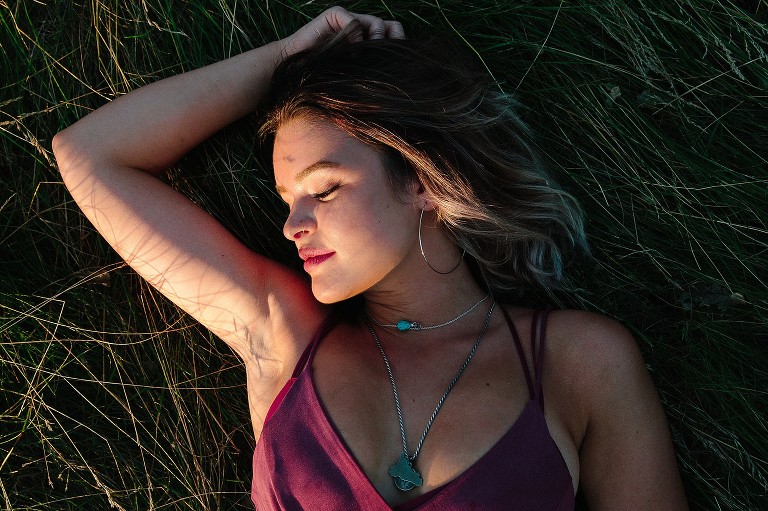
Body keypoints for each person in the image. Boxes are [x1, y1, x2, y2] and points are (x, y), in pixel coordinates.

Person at [53, 6, 688, 510]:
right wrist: (286, 59)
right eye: (286, 198)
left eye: (323, 188)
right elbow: (90, 154)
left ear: (423, 181)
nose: (292, 224)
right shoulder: (282, 337)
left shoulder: (578, 362)